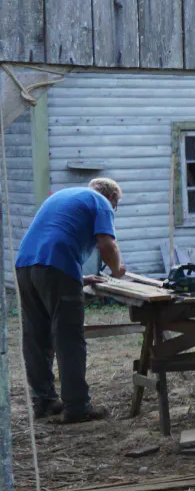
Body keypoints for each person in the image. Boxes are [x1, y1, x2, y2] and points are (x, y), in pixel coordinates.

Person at [13, 177, 124, 423]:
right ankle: (77, 407)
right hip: (56, 265)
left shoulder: (61, 197)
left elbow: (51, 236)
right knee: (68, 337)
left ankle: (44, 402)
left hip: (25, 266)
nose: (113, 210)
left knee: (36, 337)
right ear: (112, 197)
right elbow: (107, 244)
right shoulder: (101, 202)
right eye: (115, 206)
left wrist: (76, 278)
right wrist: (118, 271)